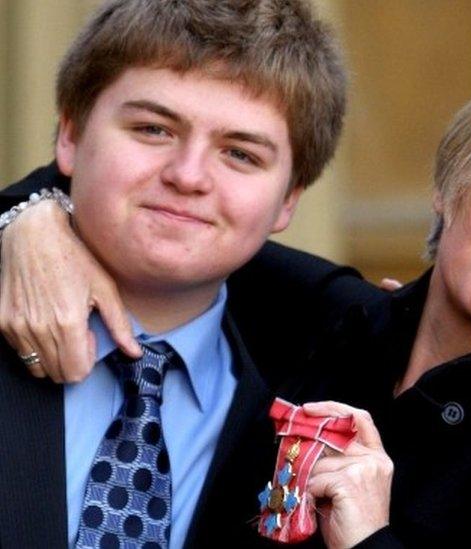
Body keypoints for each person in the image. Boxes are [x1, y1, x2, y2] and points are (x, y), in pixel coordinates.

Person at [1, 52, 471, 546]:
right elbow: (175, 220)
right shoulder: (334, 317)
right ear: (450, 180)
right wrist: (32, 217)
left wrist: (373, 538)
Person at [0, 0, 358, 547]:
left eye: (240, 154)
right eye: (153, 129)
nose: (188, 176)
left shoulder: (315, 408)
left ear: (287, 201)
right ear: (68, 136)